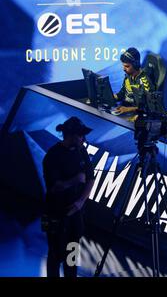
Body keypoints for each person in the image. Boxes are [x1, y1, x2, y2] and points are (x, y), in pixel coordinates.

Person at [42, 117, 95, 277]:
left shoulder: (82, 151)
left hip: (75, 215)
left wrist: (80, 202)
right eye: (81, 135)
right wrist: (75, 180)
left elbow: (90, 179)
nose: (84, 139)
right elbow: (55, 187)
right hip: (56, 214)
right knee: (55, 255)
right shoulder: (53, 156)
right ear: (71, 135)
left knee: (72, 256)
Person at [114, 47, 155, 115]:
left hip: (136, 116)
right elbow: (122, 94)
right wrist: (111, 97)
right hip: (123, 109)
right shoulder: (128, 77)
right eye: (123, 66)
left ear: (135, 65)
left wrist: (127, 109)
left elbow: (148, 107)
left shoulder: (145, 81)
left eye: (127, 66)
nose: (124, 69)